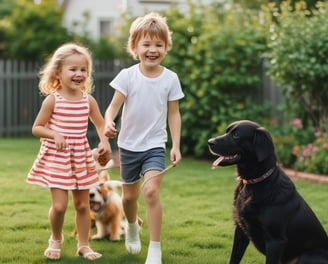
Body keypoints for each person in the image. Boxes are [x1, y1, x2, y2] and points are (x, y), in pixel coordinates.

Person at [104, 12, 184, 264]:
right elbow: (113, 107)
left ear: (166, 47)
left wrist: (176, 145)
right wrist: (108, 122)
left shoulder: (170, 79)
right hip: (128, 146)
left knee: (150, 192)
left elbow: (174, 114)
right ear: (134, 47)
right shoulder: (128, 76)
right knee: (129, 198)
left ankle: (155, 249)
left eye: (158, 45)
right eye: (146, 44)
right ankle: (131, 226)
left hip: (155, 146)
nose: (152, 49)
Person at [27, 43, 111, 260]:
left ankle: (84, 245)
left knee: (83, 205)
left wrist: (104, 142)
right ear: (58, 72)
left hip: (80, 158)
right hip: (58, 157)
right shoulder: (53, 100)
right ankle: (55, 239)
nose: (79, 74)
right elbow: (37, 127)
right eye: (72, 69)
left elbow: (101, 124)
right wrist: (54, 135)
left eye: (83, 70)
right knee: (60, 205)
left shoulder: (88, 100)